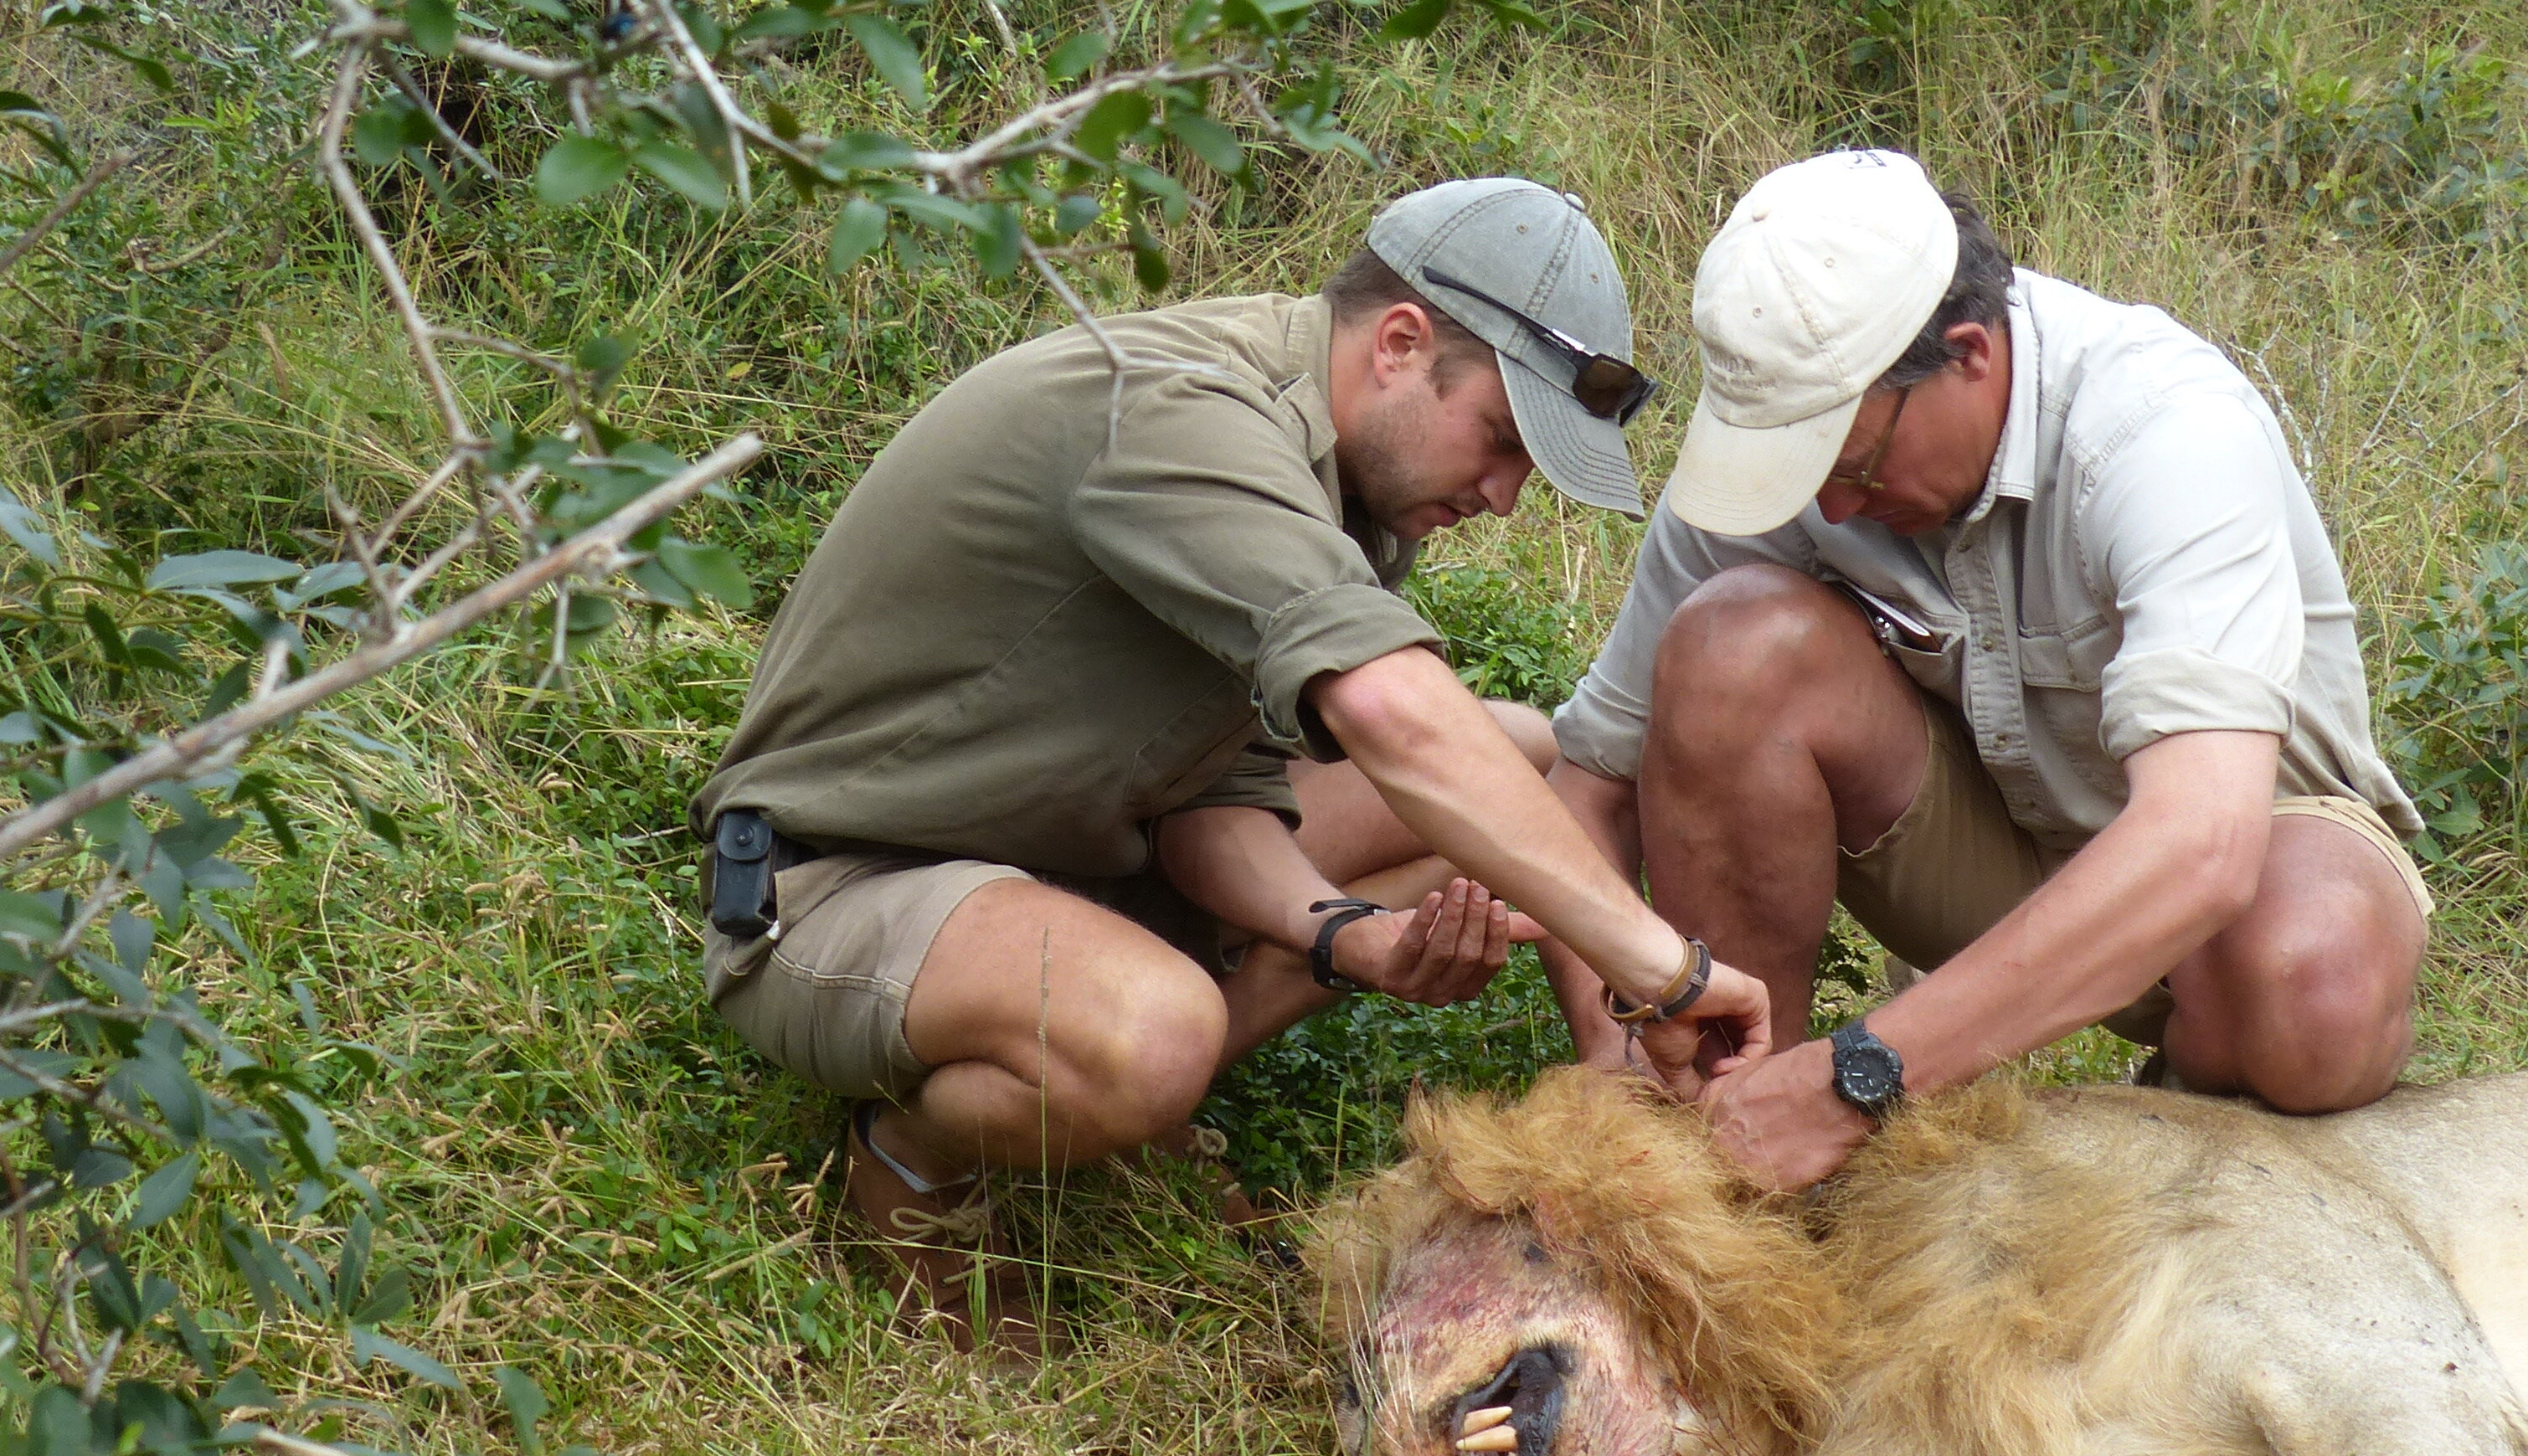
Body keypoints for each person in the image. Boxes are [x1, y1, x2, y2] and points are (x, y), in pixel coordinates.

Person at [691, 177, 1772, 1351]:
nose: (1507, 499)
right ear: (1402, 346)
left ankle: (1115, 1094)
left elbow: (1214, 799)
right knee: (1171, 1018)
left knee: (1513, 753)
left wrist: (1348, 936)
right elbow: (1396, 718)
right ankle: (914, 1162)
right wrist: (1661, 971)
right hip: (837, 886)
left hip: (1057, 858)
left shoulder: (1350, 487)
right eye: (1503, 441)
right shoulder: (1182, 414)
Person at [1542, 150, 2432, 1192]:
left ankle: (2184, 1098)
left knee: (2311, 986)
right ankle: (1729, 1147)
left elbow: (2204, 843)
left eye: (1851, 467)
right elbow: (1587, 791)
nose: (1824, 511)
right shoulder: (1798, 453)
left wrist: (1863, 1075)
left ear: (1968, 353)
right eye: (1797, 473)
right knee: (1735, 645)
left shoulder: (2158, 428)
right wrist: (1618, 1045)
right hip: (1989, 858)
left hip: (2239, 882)